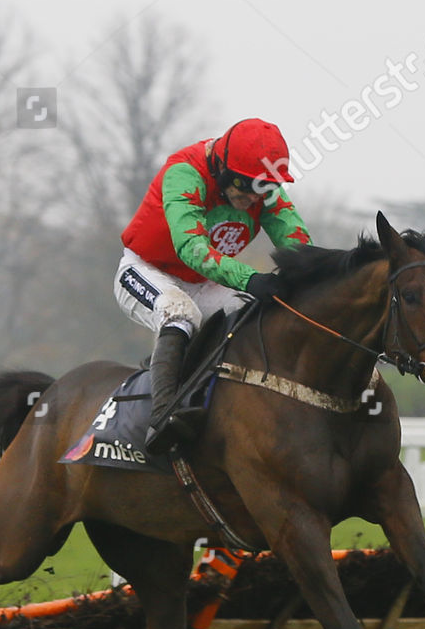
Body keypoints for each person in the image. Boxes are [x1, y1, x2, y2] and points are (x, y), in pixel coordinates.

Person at [115, 118, 312, 453]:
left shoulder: (258, 184)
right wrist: (251, 278)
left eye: (262, 188)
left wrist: (308, 274)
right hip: (145, 271)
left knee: (250, 314)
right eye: (246, 185)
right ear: (221, 167)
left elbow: (294, 238)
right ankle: (163, 419)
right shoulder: (184, 173)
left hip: (203, 282)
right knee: (180, 314)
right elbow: (193, 248)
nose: (253, 197)